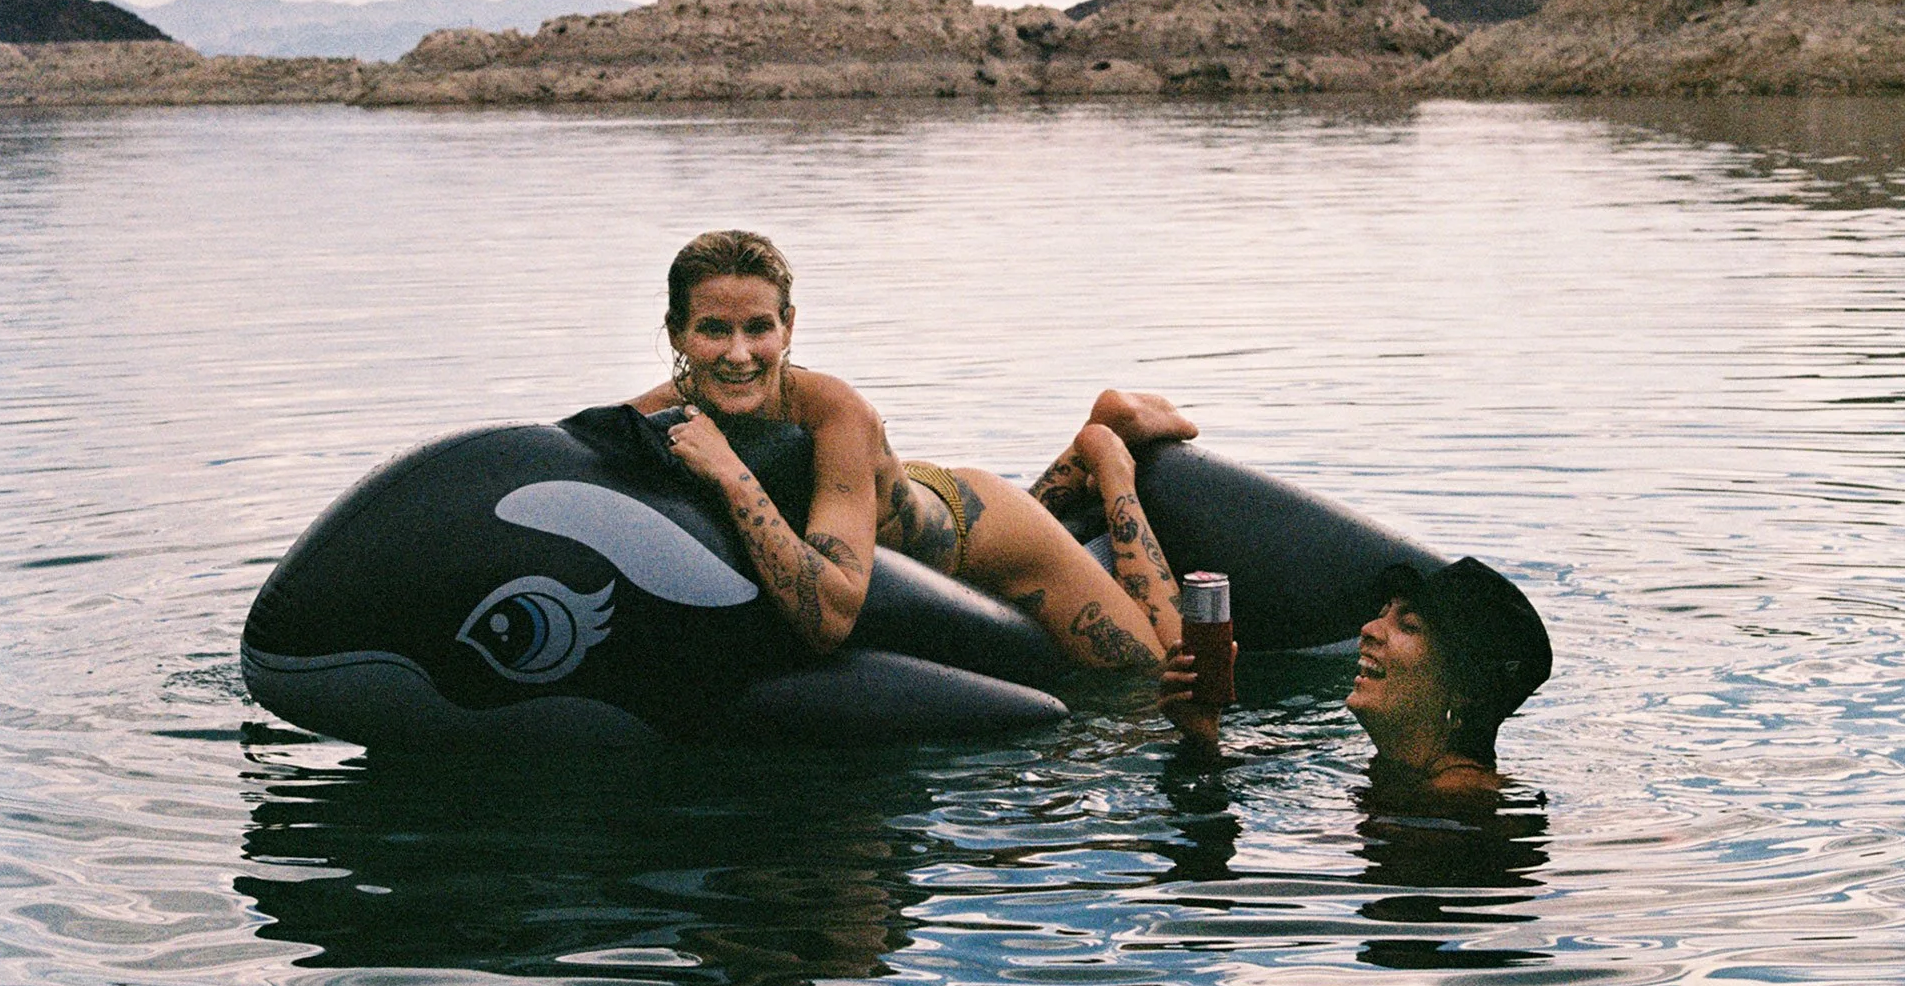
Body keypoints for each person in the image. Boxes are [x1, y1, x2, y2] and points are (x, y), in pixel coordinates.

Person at [628, 229, 1195, 669]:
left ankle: (1108, 456)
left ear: (789, 327)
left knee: (1153, 672)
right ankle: (1091, 441)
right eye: (713, 330)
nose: (738, 354)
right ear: (677, 332)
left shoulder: (835, 412)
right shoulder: (654, 413)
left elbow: (831, 618)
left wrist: (731, 474)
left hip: (983, 533)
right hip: (894, 494)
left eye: (758, 327)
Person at [1161, 557, 1552, 795]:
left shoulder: (1457, 802)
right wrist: (1203, 734)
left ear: (1465, 690)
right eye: (1383, 614)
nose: (1369, 629)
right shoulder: (1403, 774)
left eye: (1409, 626)